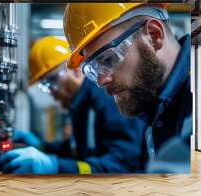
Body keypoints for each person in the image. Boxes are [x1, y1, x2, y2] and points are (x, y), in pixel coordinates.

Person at [63, 3, 192, 173]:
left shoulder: (198, 100)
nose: (101, 80)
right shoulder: (154, 109)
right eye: (94, 70)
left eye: (109, 59)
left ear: (154, 36)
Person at [0, 36, 145, 174]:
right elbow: (77, 149)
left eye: (52, 81)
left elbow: (122, 166)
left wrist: (54, 165)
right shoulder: (82, 105)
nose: (51, 92)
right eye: (45, 86)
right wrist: (41, 146)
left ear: (75, 70)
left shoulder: (107, 99)